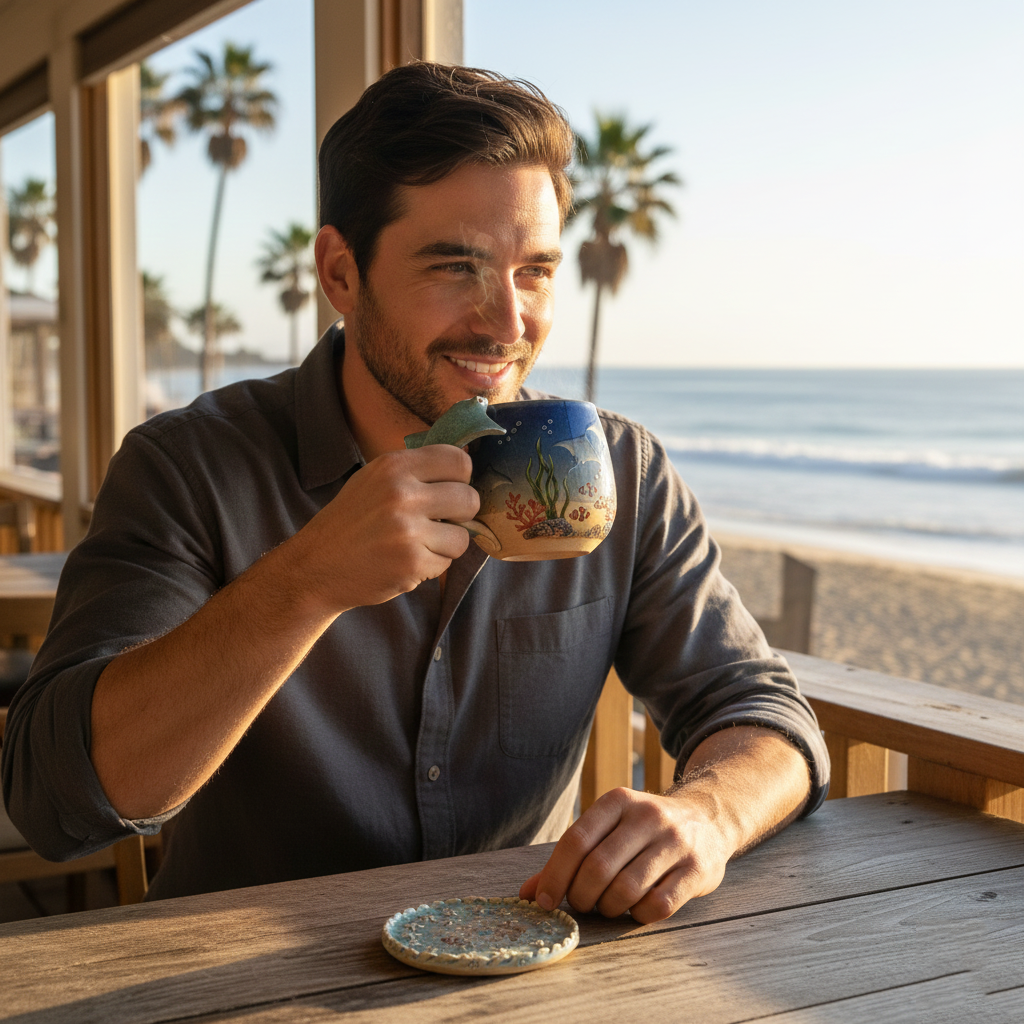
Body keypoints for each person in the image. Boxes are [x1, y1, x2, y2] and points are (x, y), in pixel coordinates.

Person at [2, 63, 828, 922]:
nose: (508, 324)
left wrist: (706, 816)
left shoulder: (620, 470)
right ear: (339, 273)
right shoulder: (190, 468)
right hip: (239, 980)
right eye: (456, 266)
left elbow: (763, 711)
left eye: (535, 272)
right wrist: (307, 581)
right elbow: (55, 800)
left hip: (525, 970)